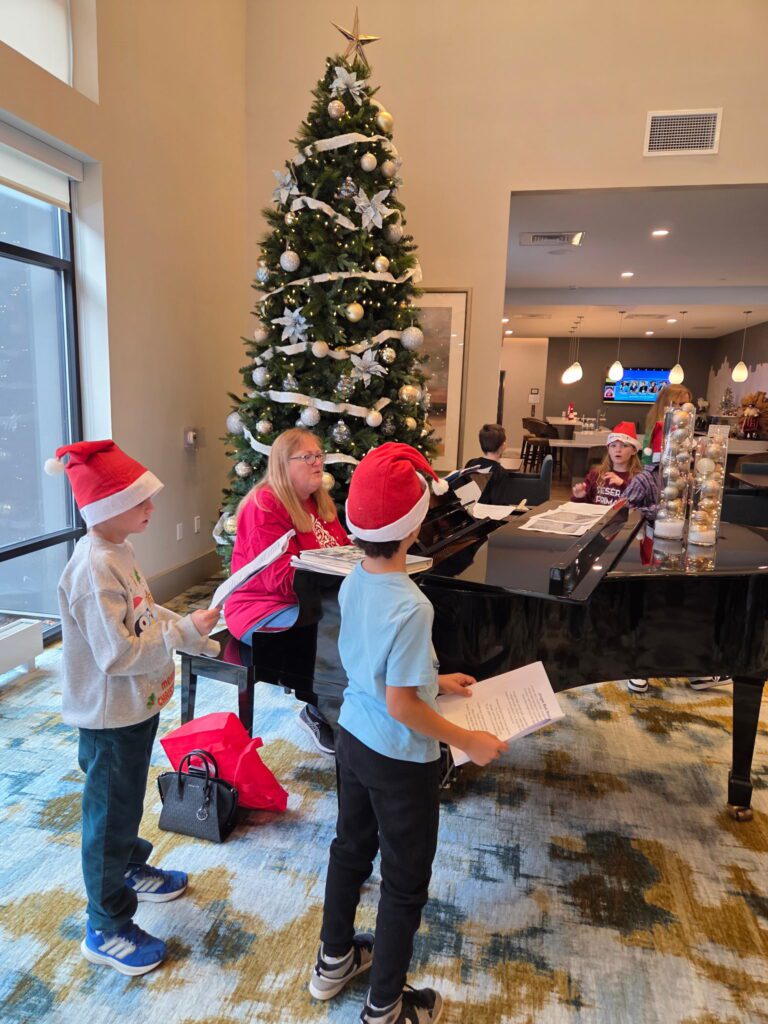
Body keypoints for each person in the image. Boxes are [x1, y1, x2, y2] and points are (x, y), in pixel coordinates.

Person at [309, 443, 507, 1024]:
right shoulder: (414, 607)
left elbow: (377, 667)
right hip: (400, 760)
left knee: (350, 848)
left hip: (352, 738)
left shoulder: (354, 580)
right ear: (416, 525)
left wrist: (432, 680)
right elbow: (401, 706)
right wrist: (466, 741)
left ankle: (334, 959)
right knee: (403, 882)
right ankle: (385, 1008)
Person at [47, 440, 221, 976]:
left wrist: (187, 629)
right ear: (106, 507)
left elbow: (146, 610)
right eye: (138, 500)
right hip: (109, 717)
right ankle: (105, 925)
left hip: (134, 708)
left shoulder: (118, 550)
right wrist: (180, 635)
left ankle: (127, 867)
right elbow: (117, 654)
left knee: (125, 802)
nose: (151, 507)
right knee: (107, 815)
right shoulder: (92, 570)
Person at [224, 428, 349, 755]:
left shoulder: (319, 502)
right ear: (282, 463)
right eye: (307, 457)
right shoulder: (264, 504)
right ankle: (321, 712)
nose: (317, 462)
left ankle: (360, 706)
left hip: (310, 601)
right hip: (259, 608)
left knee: (355, 619)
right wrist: (335, 573)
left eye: (319, 455)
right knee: (332, 631)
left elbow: (343, 549)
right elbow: (277, 576)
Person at [571, 421, 642, 505]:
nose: (618, 450)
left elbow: (640, 503)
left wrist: (623, 484)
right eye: (613, 445)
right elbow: (586, 503)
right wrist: (579, 497)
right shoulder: (596, 474)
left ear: (634, 450)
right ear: (608, 449)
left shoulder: (639, 478)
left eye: (624, 445)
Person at [641, 383, 692, 465]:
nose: (685, 409)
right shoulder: (657, 427)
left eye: (687, 405)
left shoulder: (684, 426)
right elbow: (647, 459)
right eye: (681, 404)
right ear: (667, 404)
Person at [462, 423, 508, 501]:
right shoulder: (500, 472)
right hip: (487, 509)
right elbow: (498, 502)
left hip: (468, 506)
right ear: (502, 446)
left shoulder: (470, 463)